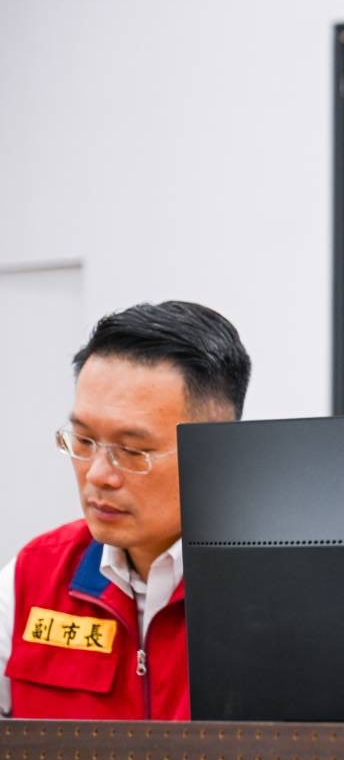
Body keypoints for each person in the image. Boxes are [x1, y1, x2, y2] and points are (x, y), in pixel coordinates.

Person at [0, 301, 251, 719]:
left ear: (219, 453)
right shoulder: (33, 576)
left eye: (133, 451)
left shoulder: (280, 593)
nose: (98, 474)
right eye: (83, 441)